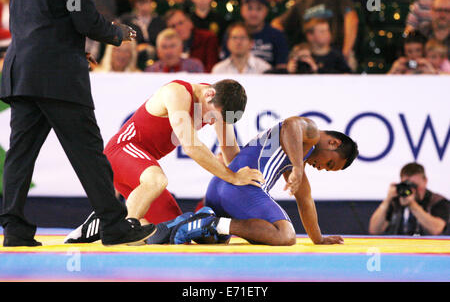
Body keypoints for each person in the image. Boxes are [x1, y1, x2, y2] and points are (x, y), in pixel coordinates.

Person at [0, 0, 156, 247]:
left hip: (23, 70)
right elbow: (83, 19)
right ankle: (114, 224)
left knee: (20, 154)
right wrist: (116, 32)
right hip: (58, 76)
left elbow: (42, 19)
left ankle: (14, 229)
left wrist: (69, 47)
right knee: (88, 152)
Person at [64, 79, 265, 243]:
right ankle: (119, 227)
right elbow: (191, 146)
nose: (212, 122)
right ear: (209, 93)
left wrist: (245, 183)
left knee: (171, 233)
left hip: (139, 168)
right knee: (157, 180)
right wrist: (232, 177)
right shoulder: (177, 92)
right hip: (122, 151)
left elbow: (230, 149)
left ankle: (106, 220)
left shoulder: (220, 106)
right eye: (212, 116)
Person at [170, 116, 359, 246]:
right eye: (330, 163)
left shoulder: (296, 154)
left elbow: (305, 200)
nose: (322, 168)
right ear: (334, 143)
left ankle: (199, 222)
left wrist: (318, 239)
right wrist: (298, 167)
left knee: (218, 240)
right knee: (285, 235)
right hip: (243, 187)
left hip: (218, 188)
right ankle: (211, 223)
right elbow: (290, 125)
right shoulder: (311, 132)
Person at [271, 0, 358, 63]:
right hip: (311, 57)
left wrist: (346, 51)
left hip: (337, 52)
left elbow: (351, 18)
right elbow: (276, 23)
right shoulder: (301, 2)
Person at [369, 163, 449, 236]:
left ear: (425, 181)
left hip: (429, 248)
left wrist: (412, 205)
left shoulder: (438, 201)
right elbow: (374, 230)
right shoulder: (396, 200)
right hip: (398, 248)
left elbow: (437, 230)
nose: (412, 190)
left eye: (415, 186)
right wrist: (387, 200)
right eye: (408, 185)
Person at [221, 0, 289, 70]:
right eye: (249, 8)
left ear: (266, 11)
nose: (254, 13)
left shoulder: (277, 35)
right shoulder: (232, 33)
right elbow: (225, 64)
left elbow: (282, 68)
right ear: (242, 10)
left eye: (259, 8)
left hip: (268, 79)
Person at [119, 0, 166, 70]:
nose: (144, 7)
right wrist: (136, 48)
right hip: (133, 63)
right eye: (140, 3)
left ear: (152, 1)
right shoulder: (126, 21)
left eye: (147, 2)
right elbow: (123, 44)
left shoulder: (160, 21)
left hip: (158, 63)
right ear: (135, 4)